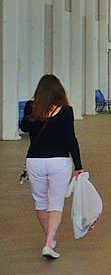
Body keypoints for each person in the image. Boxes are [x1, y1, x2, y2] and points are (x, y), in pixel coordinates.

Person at [21, 74, 84, 260]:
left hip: (34, 162)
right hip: (59, 162)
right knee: (55, 203)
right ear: (59, 91)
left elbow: (24, 127)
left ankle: (49, 239)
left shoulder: (30, 108)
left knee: (41, 202)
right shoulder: (66, 111)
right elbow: (71, 139)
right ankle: (48, 244)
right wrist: (79, 166)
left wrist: (32, 115)